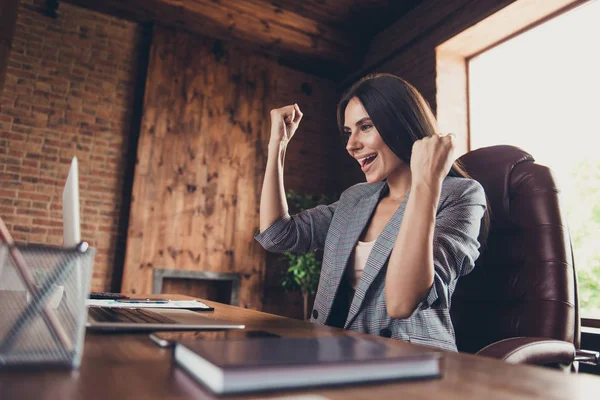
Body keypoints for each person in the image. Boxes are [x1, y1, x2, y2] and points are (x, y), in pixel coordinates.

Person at [255, 73, 487, 351]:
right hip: (334, 356)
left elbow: (402, 303)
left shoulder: (460, 195)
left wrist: (426, 181)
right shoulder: (356, 198)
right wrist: (277, 145)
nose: (351, 145)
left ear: (400, 123)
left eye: (365, 127)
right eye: (348, 132)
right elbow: (276, 236)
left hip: (411, 366)